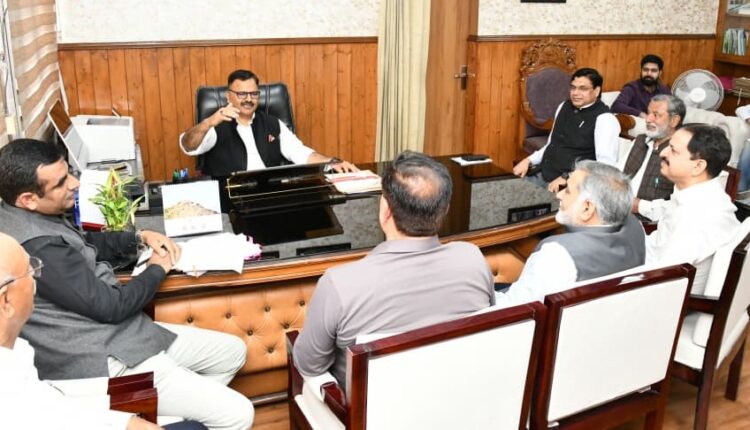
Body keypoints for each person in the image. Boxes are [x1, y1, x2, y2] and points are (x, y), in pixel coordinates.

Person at [0, 139, 253, 430]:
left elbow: (83, 241)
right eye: (61, 183)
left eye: (69, 173)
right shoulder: (39, 246)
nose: (75, 184)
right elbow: (113, 306)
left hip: (123, 333)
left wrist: (139, 237)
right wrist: (157, 268)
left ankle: (173, 416)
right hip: (104, 356)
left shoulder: (23, 214)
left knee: (232, 352)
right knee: (238, 414)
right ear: (28, 199)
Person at [292, 151, 495, 389]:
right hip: (457, 394)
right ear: (445, 210)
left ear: (385, 210)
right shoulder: (472, 259)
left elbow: (309, 366)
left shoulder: (340, 284)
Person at [0, 232, 208, 430]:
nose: (36, 278)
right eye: (30, 272)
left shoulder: (17, 352)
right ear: (6, 301)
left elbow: (47, 402)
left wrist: (123, 422)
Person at [498, 160, 645, 306]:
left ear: (587, 208)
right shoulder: (638, 230)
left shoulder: (556, 255)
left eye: (567, 190)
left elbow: (511, 310)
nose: (559, 195)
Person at [180, 69, 357, 175]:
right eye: (241, 94)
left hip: (267, 194)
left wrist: (332, 162)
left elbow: (301, 153)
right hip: (229, 199)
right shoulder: (216, 123)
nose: (248, 99)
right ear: (228, 96)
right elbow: (188, 146)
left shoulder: (272, 123)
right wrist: (209, 122)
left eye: (254, 94)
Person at [645, 124, 740, 292]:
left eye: (673, 150)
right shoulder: (699, 195)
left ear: (698, 166)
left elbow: (663, 283)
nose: (663, 153)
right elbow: (659, 244)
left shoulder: (698, 216)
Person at [513, 67, 620, 193]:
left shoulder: (605, 119)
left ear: (596, 91)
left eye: (583, 88)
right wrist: (528, 160)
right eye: (573, 87)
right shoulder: (564, 106)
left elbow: (605, 167)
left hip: (572, 187)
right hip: (543, 172)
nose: (575, 93)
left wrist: (567, 177)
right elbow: (552, 145)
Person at [622, 95, 685, 214]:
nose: (648, 119)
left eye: (656, 115)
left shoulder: (683, 154)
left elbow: (680, 208)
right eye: (648, 113)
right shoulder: (640, 140)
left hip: (648, 221)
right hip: (618, 209)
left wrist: (640, 206)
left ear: (674, 120)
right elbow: (617, 173)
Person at [611, 54, 672, 118]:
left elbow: (674, 110)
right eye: (645, 70)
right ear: (641, 70)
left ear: (660, 73)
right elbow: (616, 106)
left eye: (653, 70)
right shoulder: (631, 88)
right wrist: (640, 114)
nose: (649, 73)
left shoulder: (664, 90)